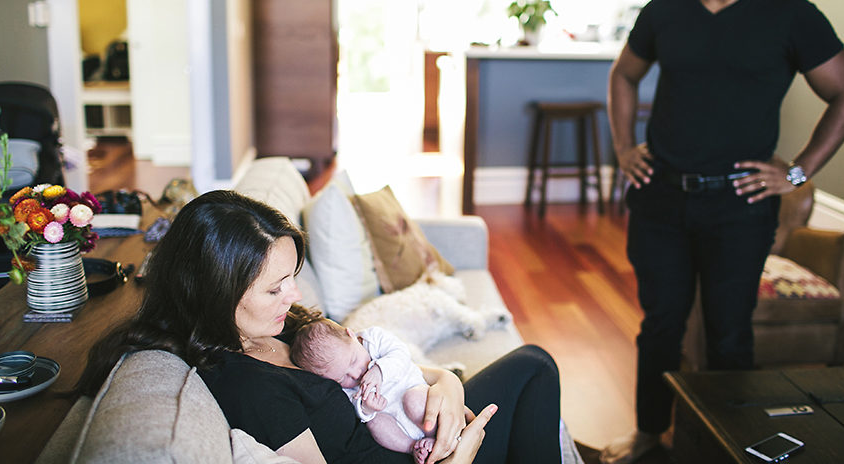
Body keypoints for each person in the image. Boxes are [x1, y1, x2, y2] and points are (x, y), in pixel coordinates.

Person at [602, 0, 844, 464]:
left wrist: (796, 174)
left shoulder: (790, 15)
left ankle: (721, 446)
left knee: (728, 336)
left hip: (740, 208)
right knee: (661, 327)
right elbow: (623, 76)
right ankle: (650, 435)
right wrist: (624, 148)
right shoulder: (665, 9)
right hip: (662, 199)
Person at [77, 190, 564, 464]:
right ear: (214, 294)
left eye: (292, 278)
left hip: (422, 424)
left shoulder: (281, 330)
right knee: (535, 370)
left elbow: (410, 370)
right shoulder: (246, 386)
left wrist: (449, 390)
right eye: (275, 288)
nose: (294, 298)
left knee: (532, 366)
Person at [290, 318, 437, 464]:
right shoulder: (344, 388)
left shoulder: (373, 338)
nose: (355, 374)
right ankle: (412, 447)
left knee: (414, 401)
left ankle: (434, 435)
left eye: (353, 361)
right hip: (394, 421)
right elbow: (353, 404)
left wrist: (379, 371)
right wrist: (366, 408)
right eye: (342, 378)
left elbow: (401, 354)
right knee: (375, 424)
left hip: (410, 391)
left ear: (351, 335)